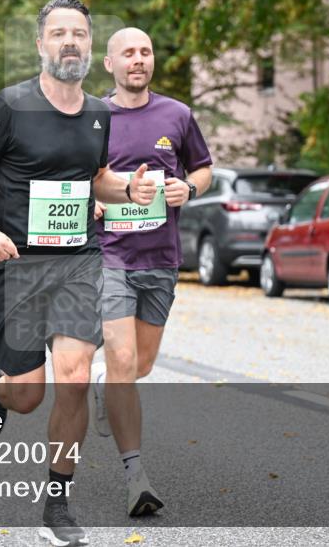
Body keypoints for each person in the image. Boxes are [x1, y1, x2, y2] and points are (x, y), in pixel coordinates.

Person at [0, 0, 156, 547]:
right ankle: (0, 390)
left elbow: (98, 179)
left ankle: (57, 502)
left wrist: (127, 189)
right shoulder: (9, 107)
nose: (69, 42)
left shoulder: (100, 114)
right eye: (58, 33)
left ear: (89, 45)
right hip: (13, 264)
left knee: (76, 377)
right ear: (40, 44)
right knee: (28, 393)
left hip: (78, 261)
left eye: (79, 34)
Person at [89, 27, 213, 517]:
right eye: (128, 53)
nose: (137, 60)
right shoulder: (92, 117)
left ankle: (106, 386)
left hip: (161, 259)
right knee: (122, 360)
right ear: (110, 63)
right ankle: (135, 476)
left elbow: (202, 168)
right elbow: (76, 176)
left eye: (144, 52)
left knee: (139, 366)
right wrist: (92, 201)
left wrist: (190, 188)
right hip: (110, 256)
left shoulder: (177, 114)